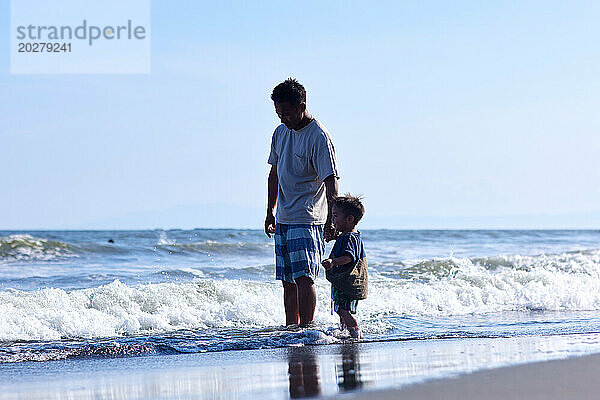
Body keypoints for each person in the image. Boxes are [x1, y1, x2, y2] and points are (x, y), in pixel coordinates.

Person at [265, 78, 339, 327]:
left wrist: (332, 219)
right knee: (288, 281)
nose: (282, 118)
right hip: (284, 217)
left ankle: (307, 330)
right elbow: (274, 173)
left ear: (302, 106)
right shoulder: (280, 133)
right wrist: (270, 211)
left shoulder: (318, 136)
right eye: (278, 113)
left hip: (308, 218)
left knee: (304, 278)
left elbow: (331, 181)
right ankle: (291, 329)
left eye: (286, 113)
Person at [321, 195, 368, 339]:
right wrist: (335, 238)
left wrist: (333, 262)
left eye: (335, 216)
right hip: (344, 283)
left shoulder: (349, 238)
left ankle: (355, 332)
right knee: (342, 309)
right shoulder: (349, 236)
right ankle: (345, 332)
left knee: (342, 309)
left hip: (346, 282)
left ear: (349, 219)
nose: (332, 220)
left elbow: (349, 257)